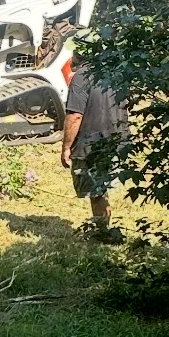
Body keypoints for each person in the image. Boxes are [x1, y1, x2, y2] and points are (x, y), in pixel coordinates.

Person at [61, 58, 129, 238]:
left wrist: (66, 147)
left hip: (92, 143)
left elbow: (75, 115)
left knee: (96, 190)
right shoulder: (114, 71)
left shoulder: (82, 77)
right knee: (103, 187)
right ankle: (104, 228)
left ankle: (103, 233)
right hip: (116, 138)